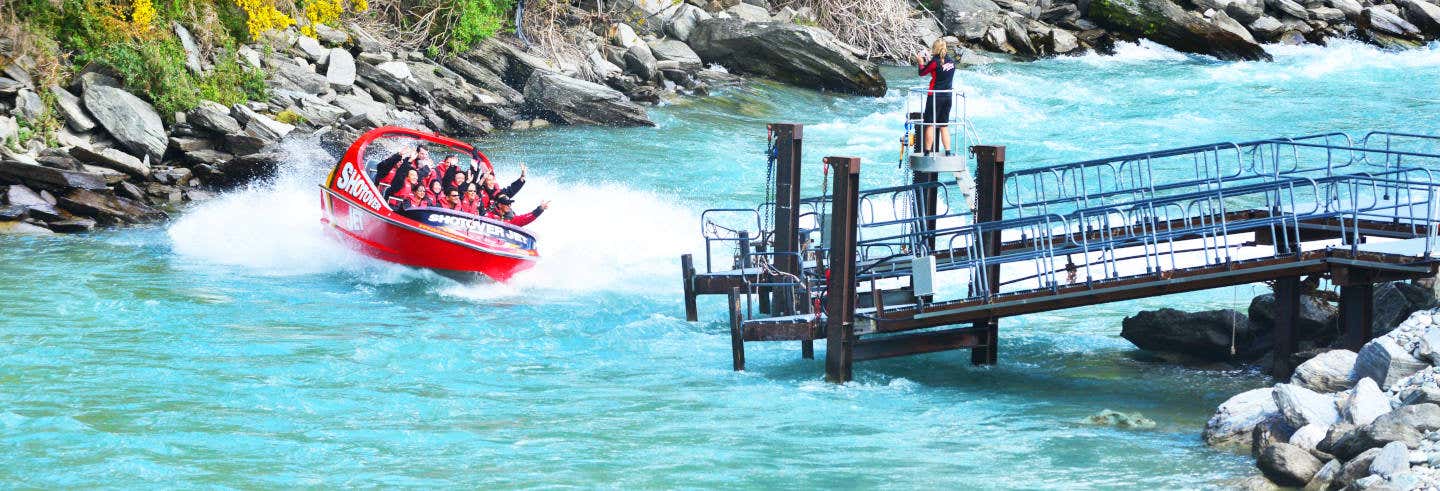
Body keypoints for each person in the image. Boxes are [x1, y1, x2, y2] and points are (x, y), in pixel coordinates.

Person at [915, 38, 957, 156]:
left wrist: (920, 62)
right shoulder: (952, 62)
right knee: (943, 125)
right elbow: (940, 70)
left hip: (935, 96)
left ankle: (927, 152)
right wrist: (930, 59)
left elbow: (922, 73)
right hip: (948, 96)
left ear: (935, 48)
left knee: (930, 124)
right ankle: (948, 152)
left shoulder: (935, 61)